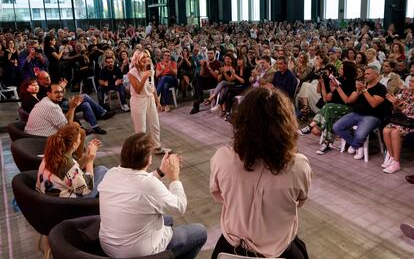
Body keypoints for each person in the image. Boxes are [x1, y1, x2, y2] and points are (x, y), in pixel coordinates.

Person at [210, 87, 312, 259]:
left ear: (241, 121)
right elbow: (300, 201)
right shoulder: (298, 165)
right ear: (286, 124)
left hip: (231, 247)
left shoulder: (222, 157)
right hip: (280, 250)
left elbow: (218, 195)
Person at [98, 132, 207, 258]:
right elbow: (179, 207)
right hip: (138, 254)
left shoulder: (111, 173)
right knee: (200, 231)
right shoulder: (149, 185)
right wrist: (174, 177)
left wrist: (161, 171)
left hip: (108, 247)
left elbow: (136, 184)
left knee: (167, 220)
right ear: (149, 159)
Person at [36, 122, 107, 198]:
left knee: (101, 170)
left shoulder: (53, 154)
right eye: (79, 138)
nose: (80, 140)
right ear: (74, 144)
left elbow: (72, 171)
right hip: (68, 204)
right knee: (104, 171)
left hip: (46, 196)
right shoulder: (68, 165)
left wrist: (86, 158)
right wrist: (90, 160)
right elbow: (88, 188)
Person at [300, 61, 357, 154]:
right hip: (333, 109)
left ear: (347, 71)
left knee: (329, 108)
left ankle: (311, 127)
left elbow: (347, 101)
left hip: (348, 110)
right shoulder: (339, 80)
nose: (339, 69)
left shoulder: (352, 84)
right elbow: (327, 99)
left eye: (342, 68)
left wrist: (337, 87)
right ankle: (326, 143)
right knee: (326, 116)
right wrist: (327, 86)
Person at [333, 66, 387, 160]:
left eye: (368, 74)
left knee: (360, 135)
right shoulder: (362, 85)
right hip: (356, 113)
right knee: (337, 127)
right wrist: (358, 92)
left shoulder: (381, 88)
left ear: (376, 75)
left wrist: (364, 91)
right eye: (365, 73)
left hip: (372, 116)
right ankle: (358, 146)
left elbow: (374, 103)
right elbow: (349, 100)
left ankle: (354, 145)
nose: (365, 76)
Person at [128, 50, 171, 155]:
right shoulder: (132, 72)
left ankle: (157, 147)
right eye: (143, 57)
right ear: (137, 59)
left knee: (155, 124)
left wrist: (157, 102)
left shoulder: (150, 68)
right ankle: (141, 151)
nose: (146, 59)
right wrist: (144, 77)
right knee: (140, 128)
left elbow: (152, 87)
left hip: (150, 98)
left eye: (147, 57)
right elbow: (138, 89)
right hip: (138, 100)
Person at [381, 76, 414, 173]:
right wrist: (395, 104)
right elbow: (399, 110)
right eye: (410, 81)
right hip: (403, 120)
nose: (411, 83)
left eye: (413, 82)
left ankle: (396, 162)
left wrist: (399, 106)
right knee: (386, 130)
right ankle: (391, 157)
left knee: (395, 132)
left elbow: (410, 111)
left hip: (411, 123)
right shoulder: (406, 92)